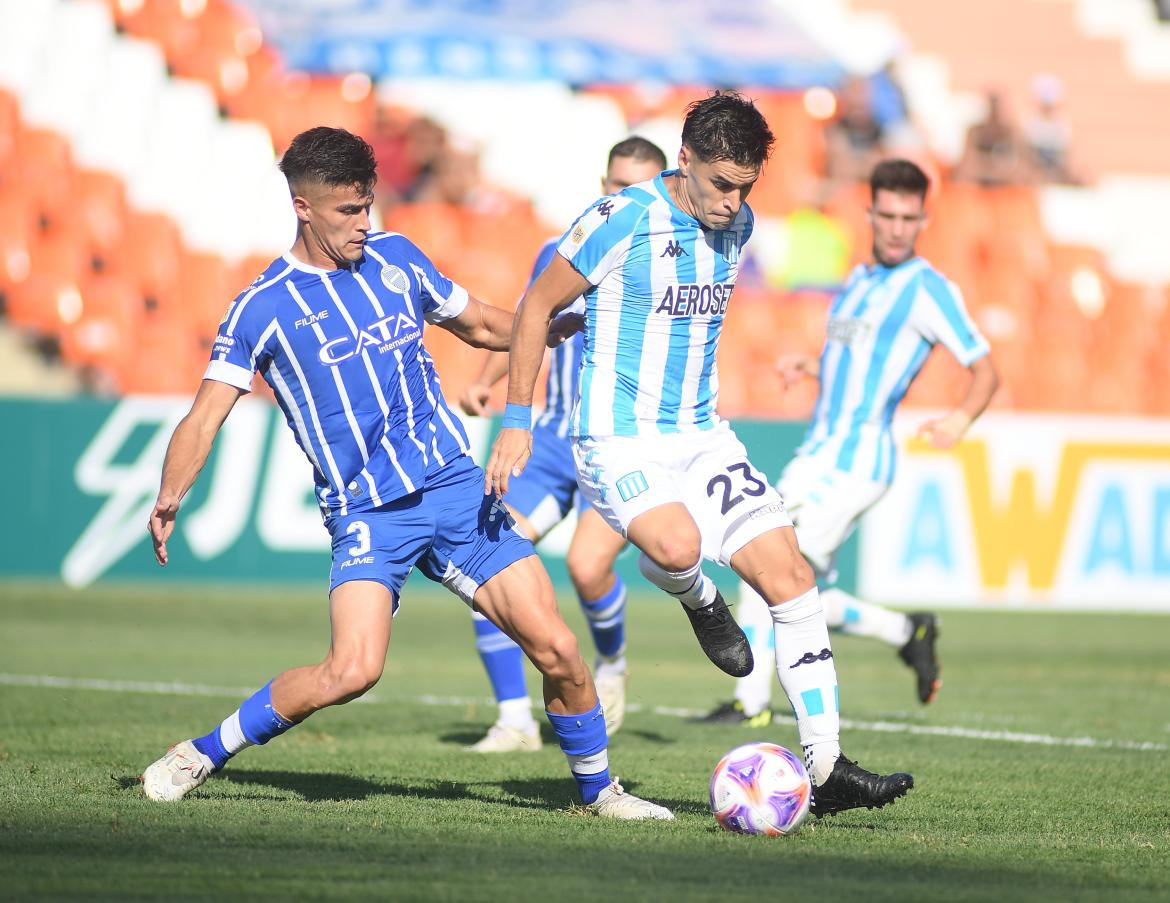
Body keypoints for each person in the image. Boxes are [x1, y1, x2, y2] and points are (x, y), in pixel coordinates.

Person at [139, 127, 672, 821]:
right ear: (303, 207)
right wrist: (170, 493)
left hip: (456, 490)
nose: (364, 224)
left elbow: (480, 323)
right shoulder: (261, 308)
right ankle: (204, 751)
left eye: (368, 207)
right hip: (368, 513)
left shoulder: (396, 260)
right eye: (346, 213)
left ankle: (601, 792)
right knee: (351, 671)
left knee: (561, 649)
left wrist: (547, 325)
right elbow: (207, 414)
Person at [485, 92, 913, 817]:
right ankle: (697, 596)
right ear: (684, 159)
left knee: (792, 573)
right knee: (676, 544)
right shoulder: (620, 219)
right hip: (617, 435)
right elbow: (534, 305)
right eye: (720, 183)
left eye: (745, 187)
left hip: (702, 433)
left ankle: (829, 764)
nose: (732, 202)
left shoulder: (738, 223)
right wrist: (517, 419)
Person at [702, 158, 1000, 726]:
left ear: (923, 220)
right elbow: (856, 356)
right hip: (822, 450)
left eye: (907, 218)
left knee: (767, 562)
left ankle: (751, 705)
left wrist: (958, 422)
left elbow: (985, 369)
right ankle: (906, 630)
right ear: (869, 213)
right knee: (791, 581)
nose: (895, 227)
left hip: (856, 461)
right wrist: (812, 365)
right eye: (886, 214)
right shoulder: (862, 279)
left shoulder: (928, 289)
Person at [458, 137, 668, 752]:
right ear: (600, 183)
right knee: (487, 561)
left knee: (585, 566)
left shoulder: (670, 261)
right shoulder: (563, 251)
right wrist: (485, 383)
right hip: (551, 443)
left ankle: (612, 662)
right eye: (614, 186)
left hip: (621, 442)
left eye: (636, 189)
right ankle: (515, 722)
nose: (620, 199)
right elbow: (531, 324)